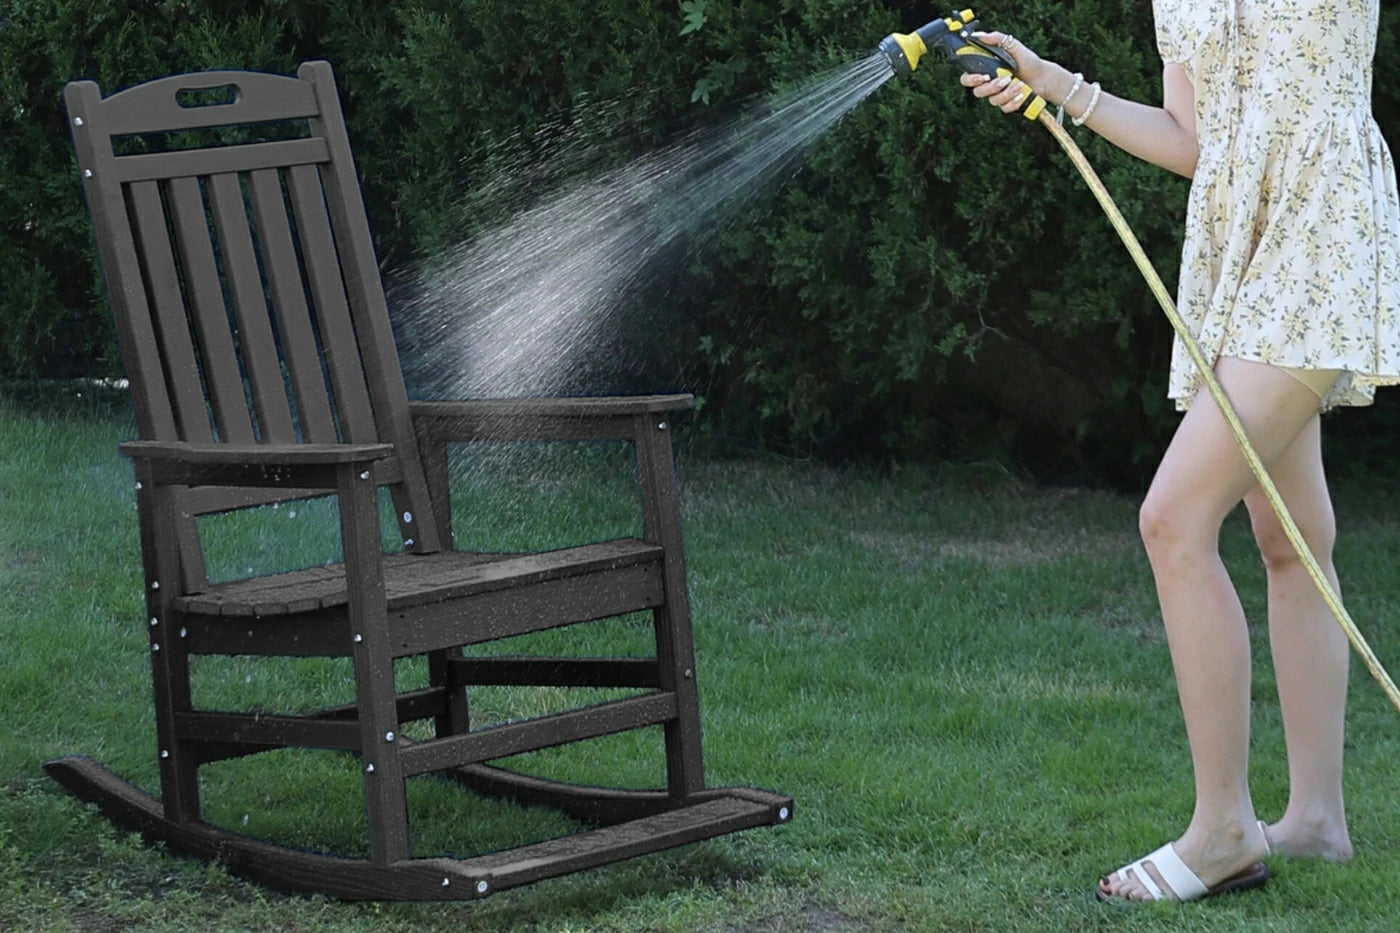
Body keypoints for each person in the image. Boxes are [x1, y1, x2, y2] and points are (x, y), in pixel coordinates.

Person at [958, 0, 1400, 904]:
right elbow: (1193, 140)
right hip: (1240, 257)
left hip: (1321, 240)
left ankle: (1224, 829)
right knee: (1289, 540)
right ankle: (1315, 818)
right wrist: (1058, 88)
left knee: (1173, 520)